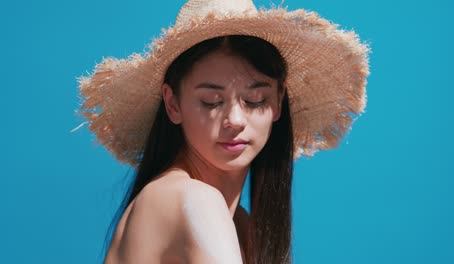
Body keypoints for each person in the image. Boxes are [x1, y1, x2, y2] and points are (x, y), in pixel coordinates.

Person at [75, 0, 370, 263]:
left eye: (255, 100)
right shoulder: (191, 199)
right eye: (212, 102)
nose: (235, 119)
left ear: (278, 102)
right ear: (173, 103)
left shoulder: (241, 225)